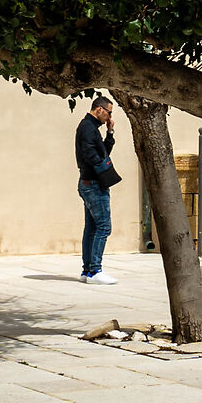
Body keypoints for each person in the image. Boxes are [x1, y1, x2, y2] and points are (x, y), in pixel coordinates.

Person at [73, 94, 122, 284]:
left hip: (90, 183)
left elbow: (102, 151)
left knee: (92, 228)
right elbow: (90, 155)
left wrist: (110, 133)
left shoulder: (91, 127)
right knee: (103, 227)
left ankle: (87, 271)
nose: (109, 117)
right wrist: (104, 167)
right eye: (108, 113)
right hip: (93, 184)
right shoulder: (87, 127)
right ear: (99, 109)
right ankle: (95, 271)